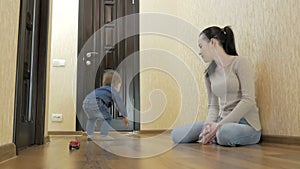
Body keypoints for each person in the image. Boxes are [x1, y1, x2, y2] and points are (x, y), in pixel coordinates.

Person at [171, 26, 262, 146]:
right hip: (219, 121)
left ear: (212, 42)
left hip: (245, 123)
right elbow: (213, 106)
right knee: (177, 134)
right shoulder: (210, 72)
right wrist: (208, 127)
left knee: (223, 133)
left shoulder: (240, 63)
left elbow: (248, 100)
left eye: (201, 46)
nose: (199, 52)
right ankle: (213, 135)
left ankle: (216, 136)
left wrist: (219, 125)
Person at [82, 70, 129, 141]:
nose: (119, 88)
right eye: (120, 86)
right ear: (115, 84)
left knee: (91, 119)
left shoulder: (101, 89)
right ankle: (104, 135)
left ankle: (89, 135)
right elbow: (119, 103)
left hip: (86, 102)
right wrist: (125, 116)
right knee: (108, 118)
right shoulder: (112, 90)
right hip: (97, 102)